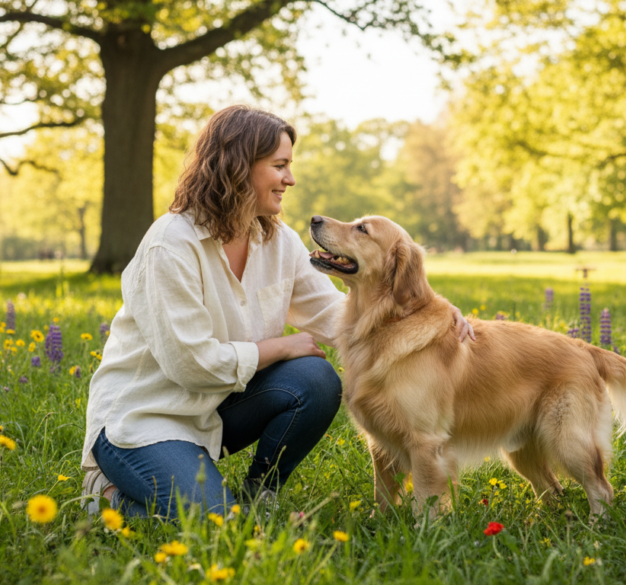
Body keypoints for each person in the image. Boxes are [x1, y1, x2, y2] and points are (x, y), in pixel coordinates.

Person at [80, 105, 474, 519]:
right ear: (237, 166)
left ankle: (259, 495)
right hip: (144, 422)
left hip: (213, 410)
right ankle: (106, 495)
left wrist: (434, 316)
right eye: (279, 165)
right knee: (217, 525)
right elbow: (190, 365)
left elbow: (336, 314)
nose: (290, 178)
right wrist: (279, 347)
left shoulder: (277, 241)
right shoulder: (171, 245)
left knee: (317, 380)